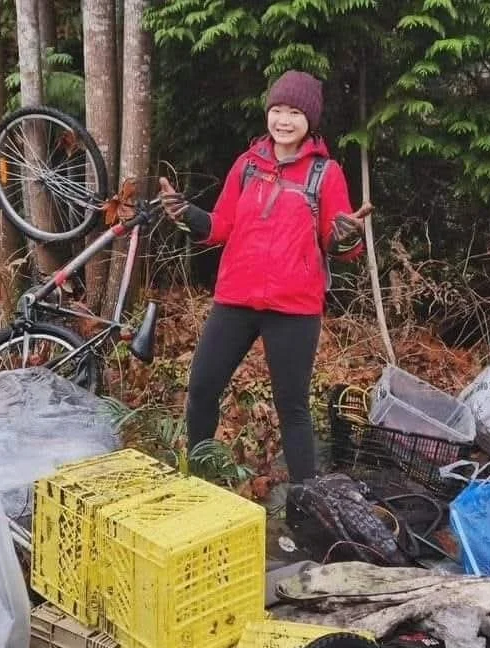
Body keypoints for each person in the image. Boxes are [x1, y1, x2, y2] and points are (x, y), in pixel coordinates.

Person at [159, 70, 371, 484]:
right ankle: (198, 480)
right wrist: (187, 215)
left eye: (294, 112)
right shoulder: (247, 165)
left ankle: (305, 503)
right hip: (235, 299)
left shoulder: (325, 174)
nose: (284, 120)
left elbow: (339, 245)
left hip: (294, 308)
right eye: (277, 110)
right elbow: (221, 226)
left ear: (310, 120)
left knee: (291, 407)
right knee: (202, 388)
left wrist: (347, 237)